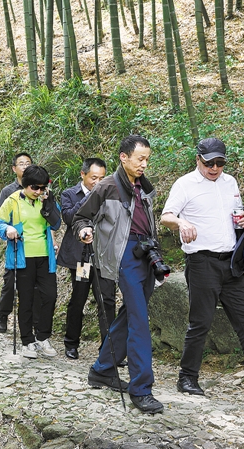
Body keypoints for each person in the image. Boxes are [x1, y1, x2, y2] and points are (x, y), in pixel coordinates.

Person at [160, 138, 244, 402]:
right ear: (198, 159)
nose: (215, 168)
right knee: (200, 322)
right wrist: (181, 222)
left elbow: (235, 214)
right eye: (210, 163)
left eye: (220, 162)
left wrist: (243, 218)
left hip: (231, 263)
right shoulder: (184, 184)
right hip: (202, 262)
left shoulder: (230, 182)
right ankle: (187, 377)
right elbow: (166, 217)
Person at [72, 135, 163, 414]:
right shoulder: (108, 186)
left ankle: (102, 369)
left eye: (147, 159)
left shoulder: (143, 188)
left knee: (130, 314)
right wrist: (84, 230)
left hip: (146, 254)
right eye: (140, 159)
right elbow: (80, 217)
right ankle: (141, 389)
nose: (144, 164)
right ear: (124, 157)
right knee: (139, 320)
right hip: (123, 255)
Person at [0, 165, 61, 359]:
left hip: (45, 257)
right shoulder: (12, 200)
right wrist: (8, 230)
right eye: (35, 188)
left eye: (42, 187)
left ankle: (43, 336)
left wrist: (48, 205)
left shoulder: (47, 199)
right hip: (22, 257)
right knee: (26, 299)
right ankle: (27, 340)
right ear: (25, 184)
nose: (39, 192)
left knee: (49, 296)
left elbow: (56, 223)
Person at [58, 158, 114, 360]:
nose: (98, 182)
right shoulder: (70, 194)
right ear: (82, 175)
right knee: (78, 298)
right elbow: (69, 218)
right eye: (93, 178)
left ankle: (109, 349)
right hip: (81, 259)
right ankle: (71, 343)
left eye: (101, 178)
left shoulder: (110, 193)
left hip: (104, 257)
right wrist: (91, 197)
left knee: (106, 300)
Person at [0, 152, 33, 333]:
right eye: (21, 163)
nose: (25, 166)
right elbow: (0, 219)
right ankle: (3, 314)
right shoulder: (7, 191)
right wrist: (11, 230)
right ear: (14, 168)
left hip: (35, 243)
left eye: (28, 163)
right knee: (10, 283)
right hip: (16, 243)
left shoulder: (38, 188)